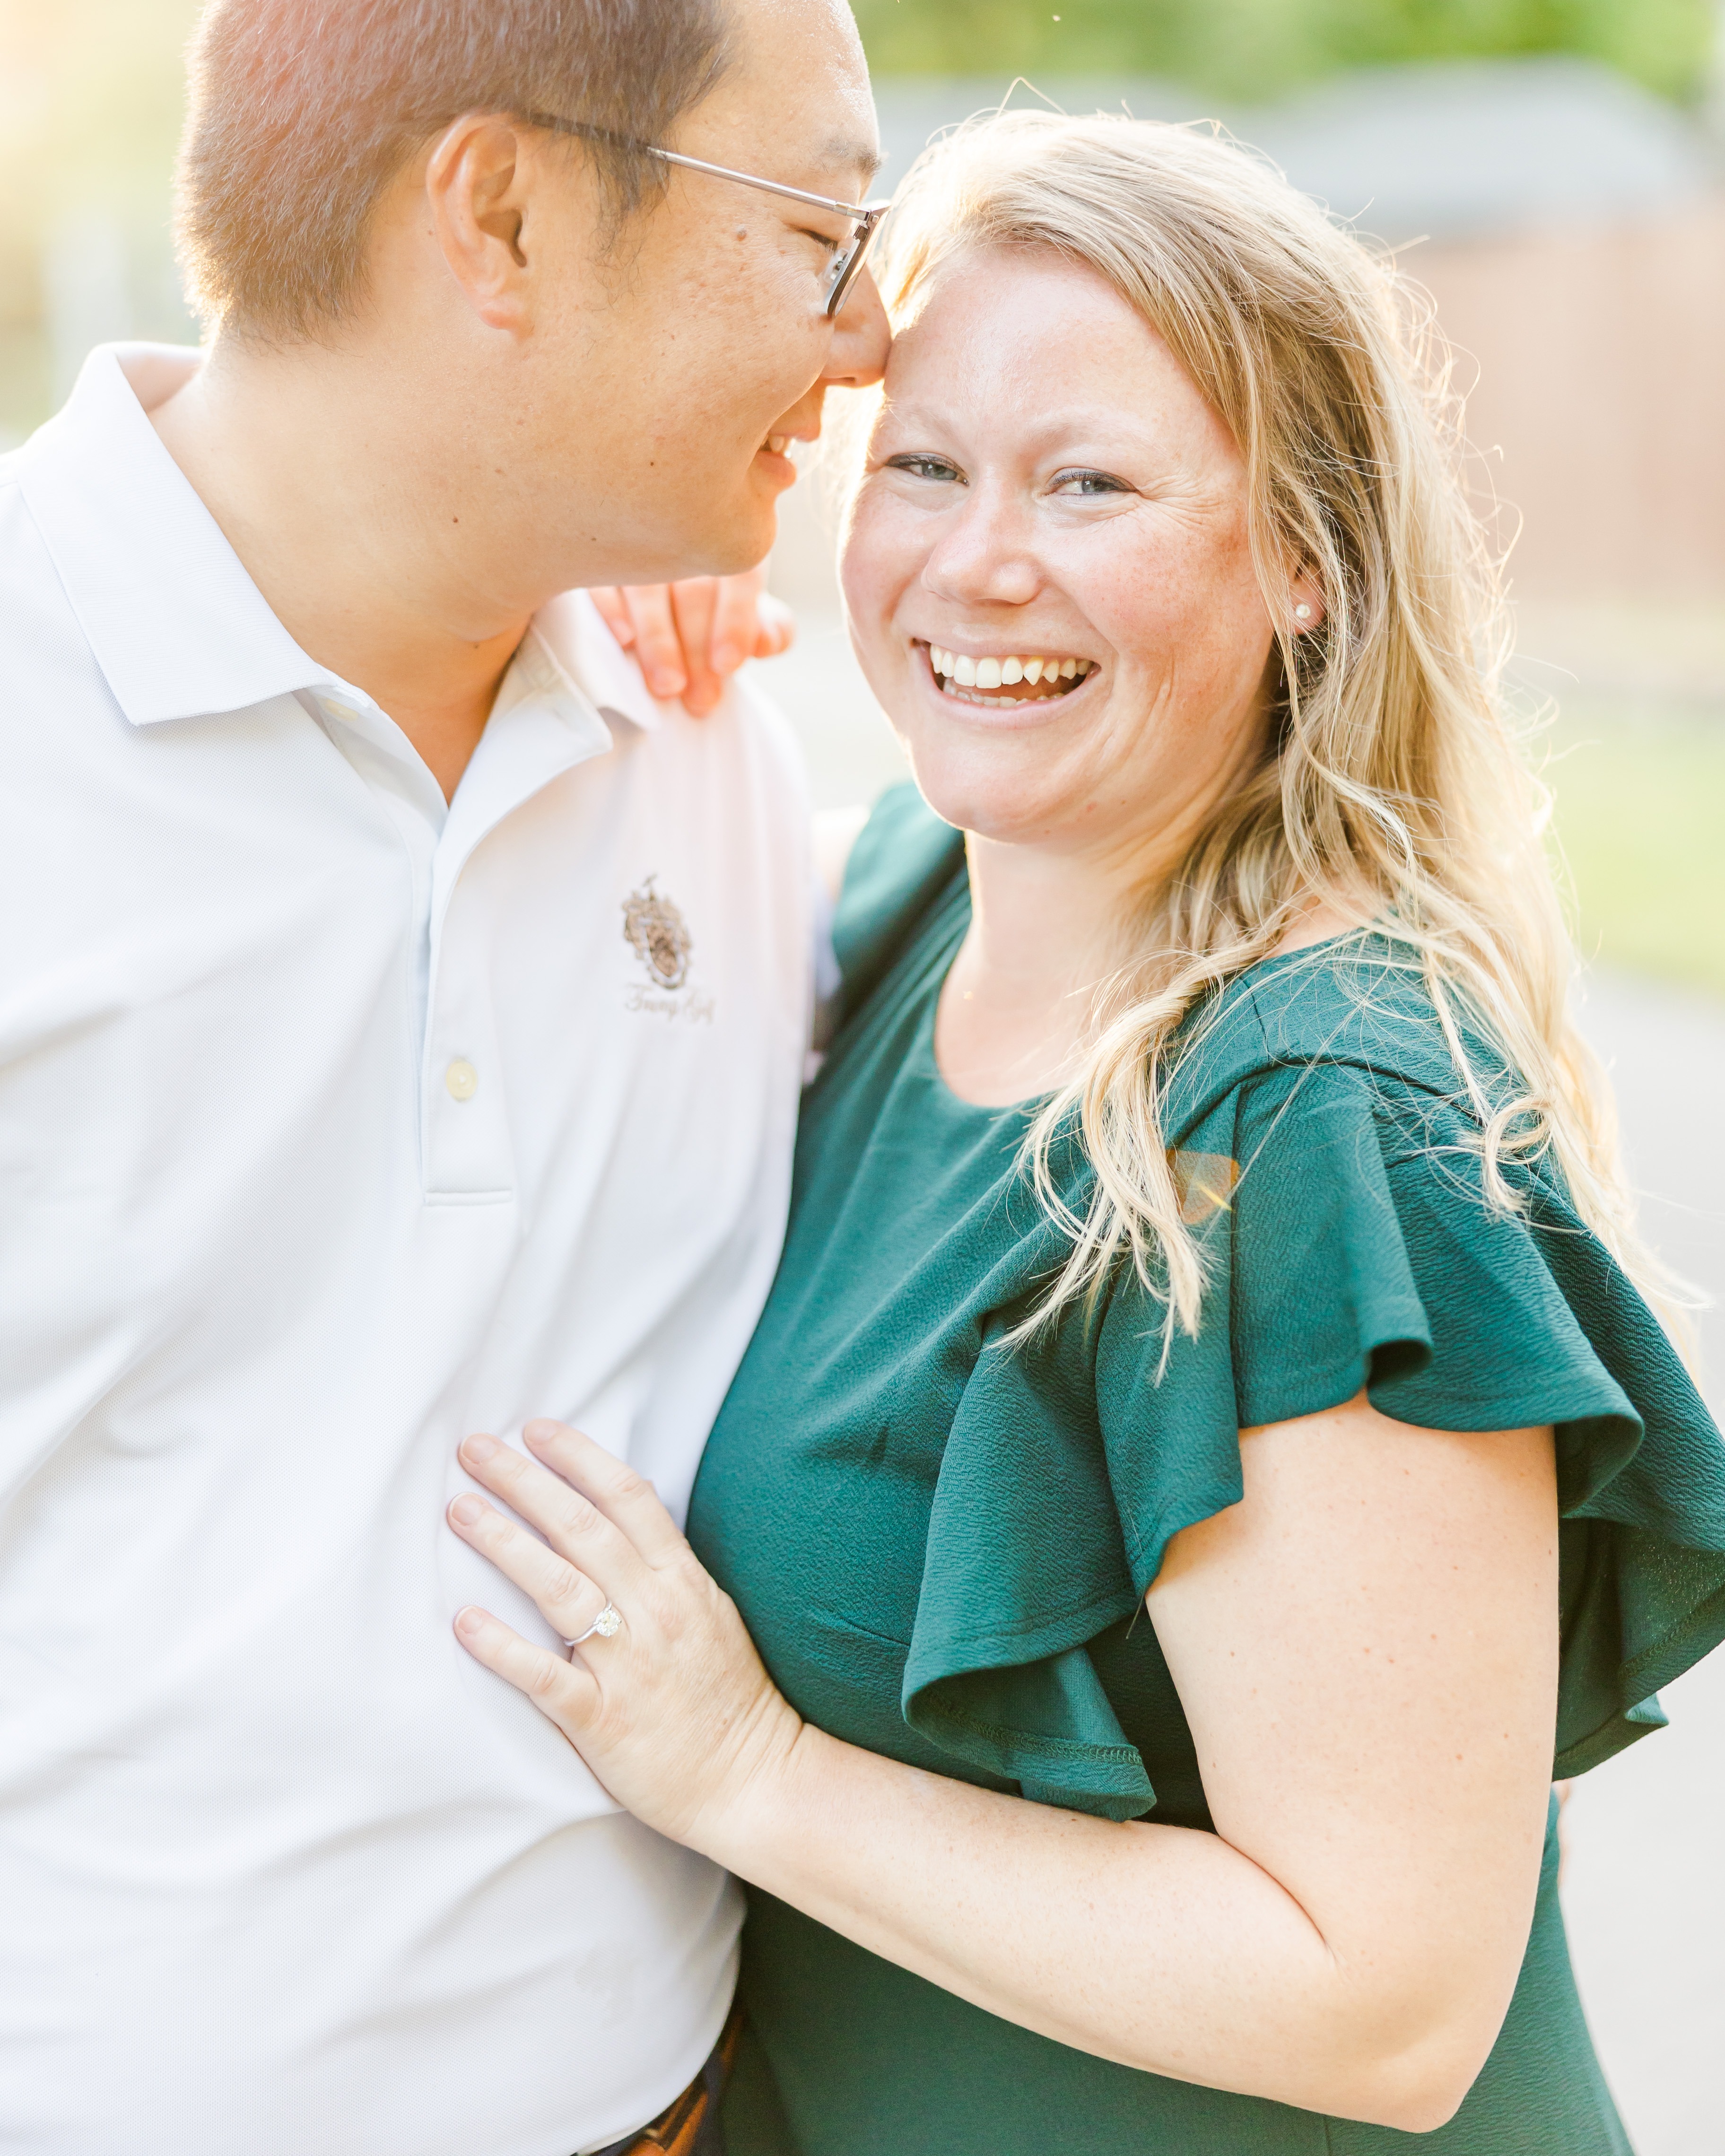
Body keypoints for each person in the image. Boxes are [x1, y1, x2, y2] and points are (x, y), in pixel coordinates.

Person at [448, 111, 1725, 2155]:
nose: (979, 564)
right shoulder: (883, 915)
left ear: (1308, 562)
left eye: (1092, 484)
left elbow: (1381, 1996)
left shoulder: (1324, 1114)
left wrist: (747, 1773)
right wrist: (606, 631)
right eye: (926, 468)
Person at [0, 0, 925, 2156]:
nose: (872, 334)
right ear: (498, 215)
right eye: (823, 230)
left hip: (668, 2116)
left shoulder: (709, 732)